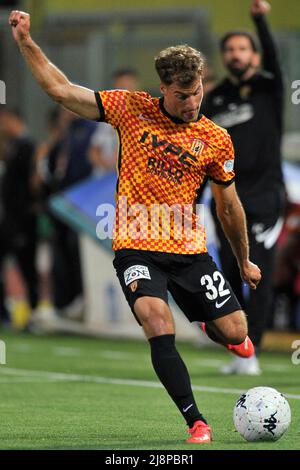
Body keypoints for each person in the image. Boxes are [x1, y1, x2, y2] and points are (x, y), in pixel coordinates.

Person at [9, 9, 261, 443]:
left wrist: (244, 261)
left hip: (189, 250)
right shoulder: (130, 109)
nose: (192, 102)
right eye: (182, 95)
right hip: (136, 246)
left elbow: (229, 206)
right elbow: (60, 90)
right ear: (162, 88)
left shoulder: (216, 139)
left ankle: (206, 319)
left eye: (197, 92)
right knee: (155, 321)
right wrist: (26, 41)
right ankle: (196, 421)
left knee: (236, 331)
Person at [201, 0, 285, 375]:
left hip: (265, 198)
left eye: (242, 48)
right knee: (232, 274)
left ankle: (256, 352)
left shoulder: (269, 88)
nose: (235, 54)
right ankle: (240, 347)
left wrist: (259, 20)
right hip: (226, 199)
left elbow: (273, 60)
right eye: (230, 50)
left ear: (253, 55)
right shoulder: (216, 99)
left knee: (258, 272)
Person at [0, 107, 39, 325]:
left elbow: (30, 184)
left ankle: (33, 312)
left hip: (23, 220)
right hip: (9, 220)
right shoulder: (13, 146)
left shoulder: (28, 146)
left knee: (27, 267)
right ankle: (5, 312)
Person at [88, 68, 140, 174]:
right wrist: (106, 167)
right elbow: (93, 151)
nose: (125, 91)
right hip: (105, 180)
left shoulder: (145, 117)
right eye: (121, 86)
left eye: (128, 85)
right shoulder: (106, 116)